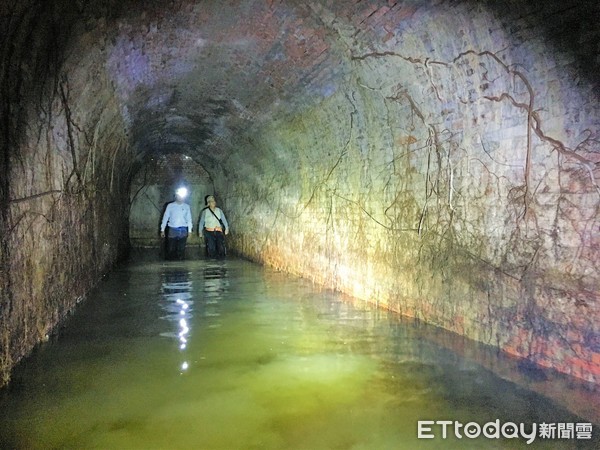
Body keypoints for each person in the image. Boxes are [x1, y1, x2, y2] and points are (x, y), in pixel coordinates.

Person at [160, 187, 193, 260]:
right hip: (172, 229)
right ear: (176, 196)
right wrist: (162, 229)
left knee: (181, 249)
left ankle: (180, 266)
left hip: (183, 229)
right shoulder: (170, 206)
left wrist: (190, 231)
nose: (180, 197)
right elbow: (165, 217)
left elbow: (189, 219)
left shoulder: (186, 206)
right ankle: (171, 266)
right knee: (171, 249)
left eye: (181, 196)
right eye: (178, 195)